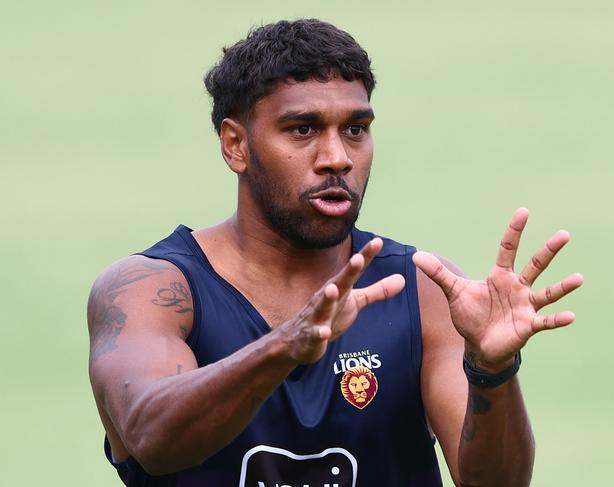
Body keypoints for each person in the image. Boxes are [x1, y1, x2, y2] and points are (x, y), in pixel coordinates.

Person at [87, 19, 583, 487]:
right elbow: (151, 438)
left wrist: (493, 371)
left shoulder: (424, 292)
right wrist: (282, 347)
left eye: (355, 129)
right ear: (235, 145)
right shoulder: (149, 289)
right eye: (302, 129)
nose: (337, 158)